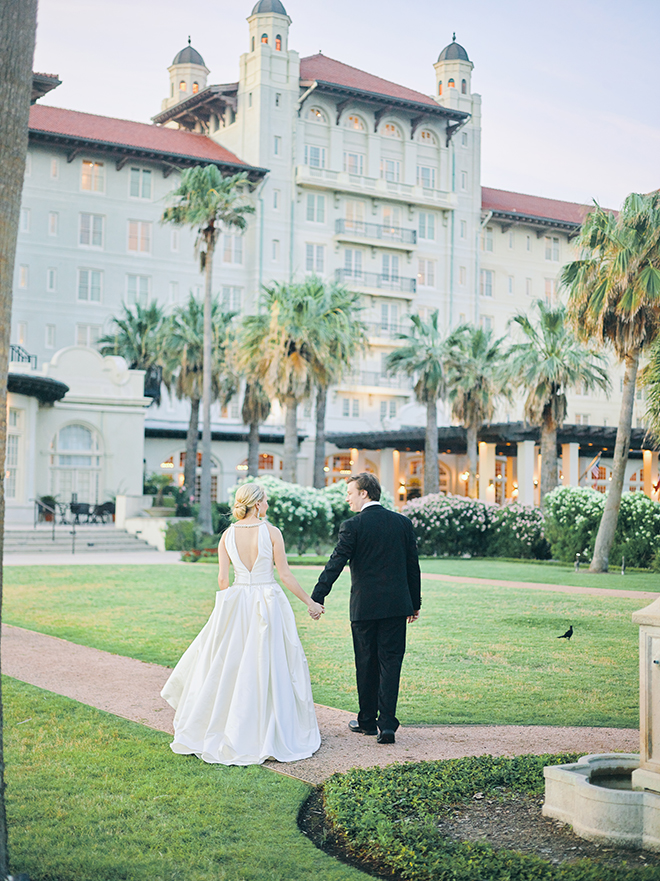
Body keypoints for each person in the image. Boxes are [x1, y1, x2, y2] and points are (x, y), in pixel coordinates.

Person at [161, 483, 324, 765]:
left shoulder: (227, 534)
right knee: (268, 664)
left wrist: (226, 611)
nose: (269, 505)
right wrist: (310, 603)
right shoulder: (272, 532)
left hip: (237, 602)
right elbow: (284, 575)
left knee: (231, 664)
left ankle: (227, 725)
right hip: (268, 602)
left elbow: (223, 580)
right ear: (258, 503)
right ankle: (267, 728)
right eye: (267, 500)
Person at [311, 473, 421, 745]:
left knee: (366, 663)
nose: (347, 497)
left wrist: (318, 596)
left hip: (364, 608)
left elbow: (335, 562)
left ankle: (367, 722)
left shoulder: (353, 526)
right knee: (391, 663)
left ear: (364, 493)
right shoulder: (402, 523)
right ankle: (387, 726)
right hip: (396, 607)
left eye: (350, 492)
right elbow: (412, 567)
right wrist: (414, 603)